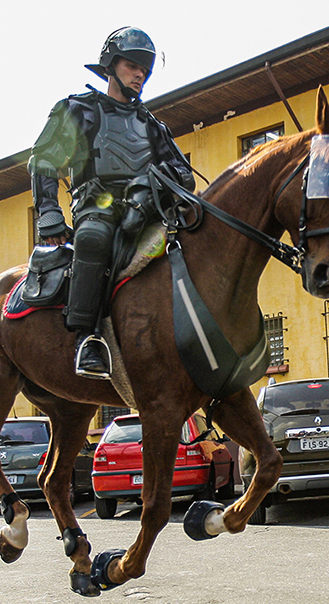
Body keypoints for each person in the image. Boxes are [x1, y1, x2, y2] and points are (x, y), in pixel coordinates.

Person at [28, 26, 195, 379]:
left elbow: (184, 173)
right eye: (134, 66)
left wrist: (152, 188)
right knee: (93, 239)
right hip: (96, 206)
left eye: (145, 71)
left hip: (147, 208)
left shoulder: (153, 126)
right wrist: (48, 213)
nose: (140, 75)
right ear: (110, 64)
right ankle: (87, 339)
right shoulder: (78, 110)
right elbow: (44, 160)